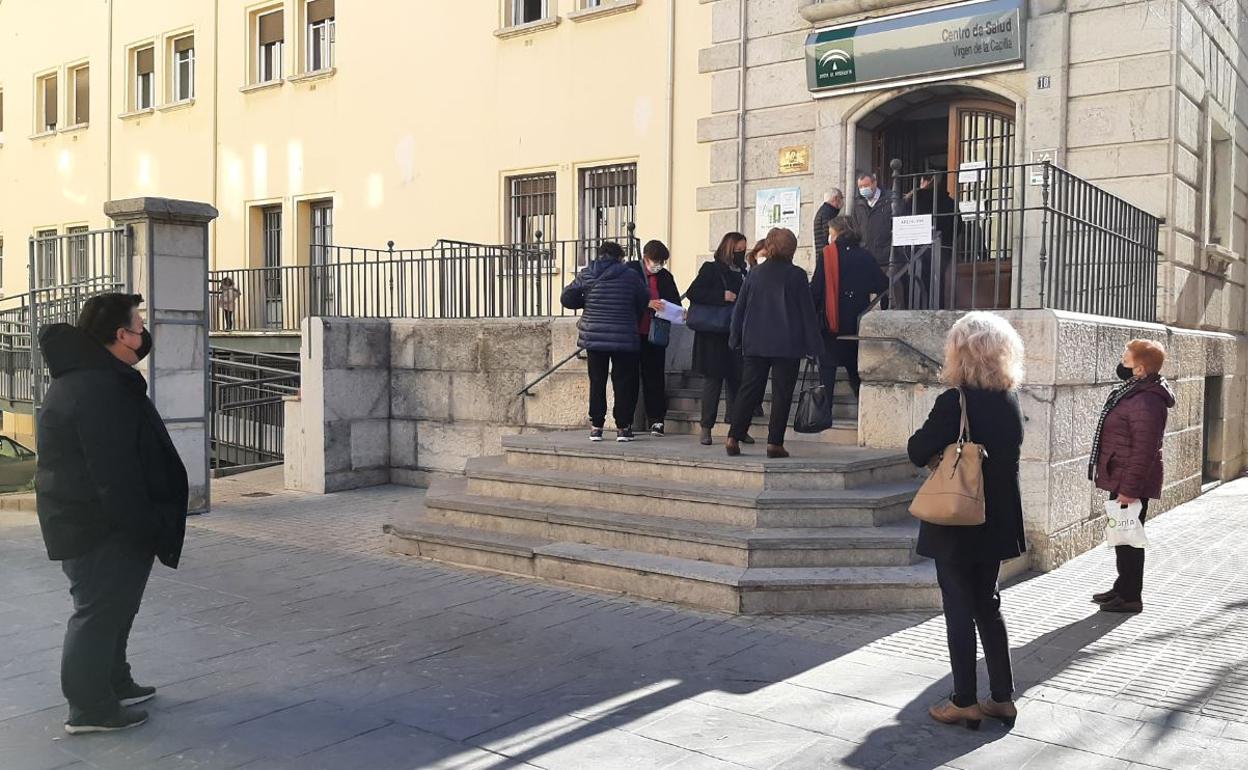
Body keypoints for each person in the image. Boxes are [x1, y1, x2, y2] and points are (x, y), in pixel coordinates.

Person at [35, 293, 189, 735]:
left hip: (105, 522)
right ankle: (89, 707)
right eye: (139, 326)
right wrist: (141, 525)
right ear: (122, 335)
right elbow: (114, 471)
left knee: (118, 608)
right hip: (99, 527)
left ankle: (115, 681)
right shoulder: (97, 387)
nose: (144, 334)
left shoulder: (99, 378)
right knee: (99, 613)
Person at [907, 312, 1026, 731]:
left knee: (958, 607)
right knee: (988, 605)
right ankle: (1002, 697)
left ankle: (963, 701)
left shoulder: (954, 401)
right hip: (996, 519)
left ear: (960, 353)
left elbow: (917, 450)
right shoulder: (1009, 399)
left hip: (958, 519)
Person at [1088, 339, 1174, 614]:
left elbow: (1145, 450)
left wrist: (1129, 490)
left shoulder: (1146, 400)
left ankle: (1130, 597)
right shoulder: (1134, 391)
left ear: (1140, 369)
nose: (1121, 364)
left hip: (1130, 480)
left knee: (1129, 538)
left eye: (1125, 360)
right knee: (1122, 535)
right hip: (1123, 475)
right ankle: (1123, 587)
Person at [727, 228, 822, 459]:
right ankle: (774, 443)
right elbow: (807, 313)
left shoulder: (755, 273)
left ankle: (733, 436)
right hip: (787, 343)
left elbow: (740, 308)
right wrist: (815, 346)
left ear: (769, 247)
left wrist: (734, 336)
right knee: (782, 393)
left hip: (755, 340)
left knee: (748, 389)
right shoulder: (797, 275)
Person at [561, 241, 651, 442]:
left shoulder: (587, 273)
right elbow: (644, 299)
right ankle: (623, 427)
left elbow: (567, 298)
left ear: (600, 255)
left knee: (597, 381)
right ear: (620, 257)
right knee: (623, 382)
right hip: (624, 336)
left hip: (594, 337)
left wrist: (587, 302)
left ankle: (596, 427)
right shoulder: (630, 275)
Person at [810, 216, 888, 401]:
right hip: (856, 323)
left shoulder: (827, 255)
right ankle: (864, 409)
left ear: (838, 233)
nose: (829, 237)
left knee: (827, 374)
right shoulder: (865, 256)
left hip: (831, 323)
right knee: (855, 372)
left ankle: (824, 411)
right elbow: (882, 284)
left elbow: (816, 290)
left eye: (831, 233)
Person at [686, 233, 752, 446]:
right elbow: (694, 292)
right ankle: (706, 427)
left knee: (737, 381)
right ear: (729, 249)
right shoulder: (711, 268)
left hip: (735, 333)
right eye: (739, 249)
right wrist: (722, 295)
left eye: (744, 249)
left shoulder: (744, 272)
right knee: (713, 382)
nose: (742, 253)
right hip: (713, 334)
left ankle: (737, 428)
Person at [627, 240, 682, 437]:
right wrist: (647, 303)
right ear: (646, 258)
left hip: (655, 334)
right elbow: (624, 296)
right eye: (656, 261)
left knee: (655, 377)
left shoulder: (665, 277)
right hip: (632, 333)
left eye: (662, 262)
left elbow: (675, 300)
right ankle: (626, 420)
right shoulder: (631, 271)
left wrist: (673, 309)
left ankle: (657, 420)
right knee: (629, 378)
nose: (659, 265)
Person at [850, 172, 896, 272]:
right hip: (864, 257)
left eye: (866, 185)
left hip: (885, 259)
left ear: (874, 183)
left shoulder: (890, 200)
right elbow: (855, 229)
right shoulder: (858, 204)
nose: (863, 189)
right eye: (860, 187)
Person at [813, 189, 844, 255]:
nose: (842, 201)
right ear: (836, 198)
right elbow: (829, 235)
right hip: (828, 254)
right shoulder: (829, 212)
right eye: (841, 198)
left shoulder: (824, 210)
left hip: (823, 253)